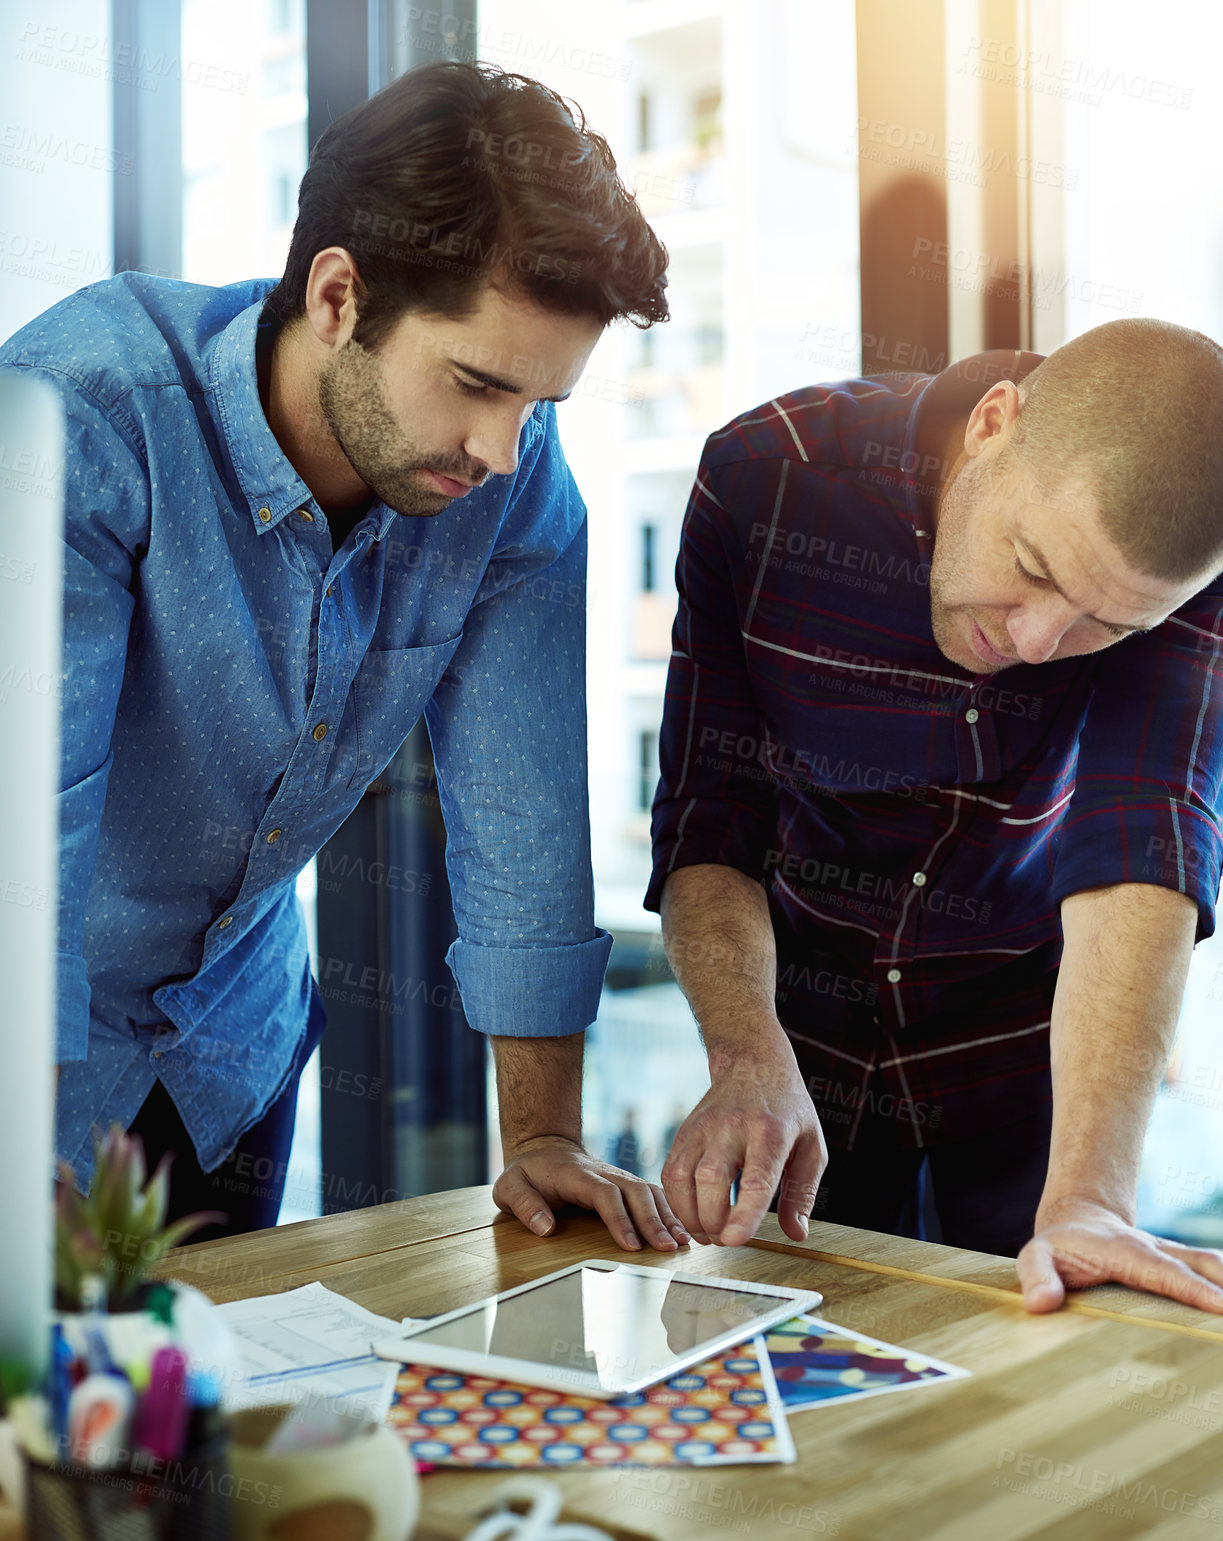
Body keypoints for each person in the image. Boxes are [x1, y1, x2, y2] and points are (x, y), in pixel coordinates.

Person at [1, 60, 690, 1251]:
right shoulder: (81, 417)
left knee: (205, 1434)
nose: (498, 446)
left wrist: (541, 1139)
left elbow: (522, 822)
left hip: (229, 1060)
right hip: (31, 1055)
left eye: (539, 403)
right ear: (336, 296)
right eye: (476, 382)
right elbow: (29, 832)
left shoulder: (511, 487)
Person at [648, 321, 1223, 1313]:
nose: (1040, 641)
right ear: (994, 423)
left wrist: (1089, 1196)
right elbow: (711, 809)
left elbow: (1143, 840)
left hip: (1026, 1068)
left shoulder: (1184, 578)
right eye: (1034, 567)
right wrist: (740, 1051)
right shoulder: (764, 478)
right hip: (796, 1061)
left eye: (1105, 626)